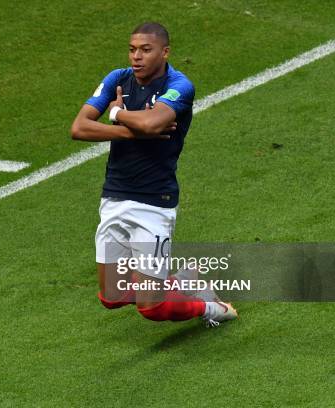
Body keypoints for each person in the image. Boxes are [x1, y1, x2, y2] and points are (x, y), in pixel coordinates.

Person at [70, 22, 237, 327]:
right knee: (112, 295)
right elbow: (79, 128)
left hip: (153, 205)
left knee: (152, 308)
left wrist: (117, 113)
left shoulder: (179, 85)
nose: (137, 57)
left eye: (146, 50)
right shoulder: (117, 79)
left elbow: (152, 124)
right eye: (133, 49)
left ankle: (212, 308)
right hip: (114, 196)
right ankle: (185, 281)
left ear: (165, 52)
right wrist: (130, 131)